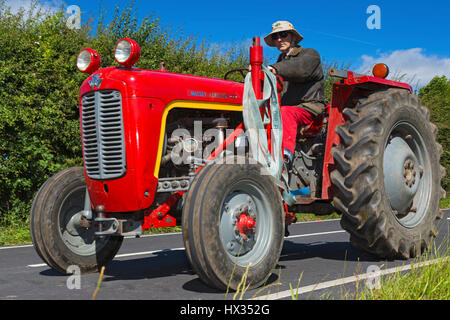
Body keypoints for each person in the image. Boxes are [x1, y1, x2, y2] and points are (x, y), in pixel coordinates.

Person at [263, 21, 326, 168]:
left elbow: (300, 69)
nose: (279, 39)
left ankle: (283, 159)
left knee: (286, 113)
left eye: (283, 34)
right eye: (275, 37)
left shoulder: (309, 55)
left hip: (309, 108)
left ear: (293, 37)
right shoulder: (280, 63)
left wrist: (273, 69)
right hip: (286, 110)